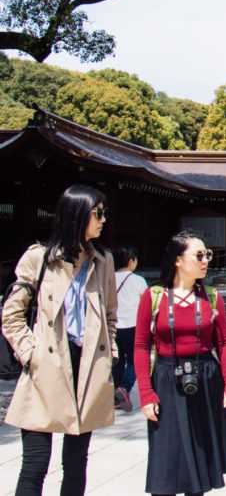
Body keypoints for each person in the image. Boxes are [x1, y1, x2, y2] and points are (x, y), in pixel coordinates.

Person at [2, 184, 117, 496]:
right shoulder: (39, 258)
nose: (104, 220)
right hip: (47, 367)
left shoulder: (103, 261)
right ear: (77, 215)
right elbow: (11, 314)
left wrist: (111, 357)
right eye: (99, 213)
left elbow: (110, 316)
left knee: (77, 463)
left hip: (88, 367)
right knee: (35, 463)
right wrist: (31, 353)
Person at [135, 231, 226, 495]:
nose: (205, 260)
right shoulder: (154, 297)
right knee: (167, 458)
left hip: (206, 379)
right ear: (177, 260)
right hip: (165, 380)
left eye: (207, 254)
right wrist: (146, 393)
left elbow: (225, 344)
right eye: (199, 255)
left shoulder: (211, 297)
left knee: (199, 458)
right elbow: (141, 346)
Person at [113, 245, 148, 412]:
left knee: (117, 360)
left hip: (114, 326)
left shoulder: (109, 278)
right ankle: (124, 388)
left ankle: (116, 392)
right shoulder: (138, 280)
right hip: (134, 326)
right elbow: (146, 303)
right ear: (131, 261)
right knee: (135, 360)